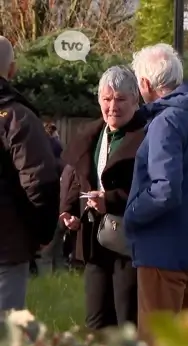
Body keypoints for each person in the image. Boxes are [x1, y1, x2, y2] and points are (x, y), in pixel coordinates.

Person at [124, 43, 188, 344]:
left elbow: (165, 190)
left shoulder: (166, 122)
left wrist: (131, 214)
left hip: (161, 250)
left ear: (145, 84)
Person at [59, 66, 144, 329]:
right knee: (95, 322)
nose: (112, 106)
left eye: (120, 99)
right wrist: (68, 210)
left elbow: (151, 189)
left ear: (135, 100)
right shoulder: (92, 134)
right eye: (107, 99)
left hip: (127, 243)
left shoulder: (146, 136)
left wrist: (111, 199)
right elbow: (76, 177)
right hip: (93, 239)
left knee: (125, 320)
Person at [0, 36, 60, 311]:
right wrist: (41, 233)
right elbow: (40, 183)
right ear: (12, 69)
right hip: (7, 246)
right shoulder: (17, 117)